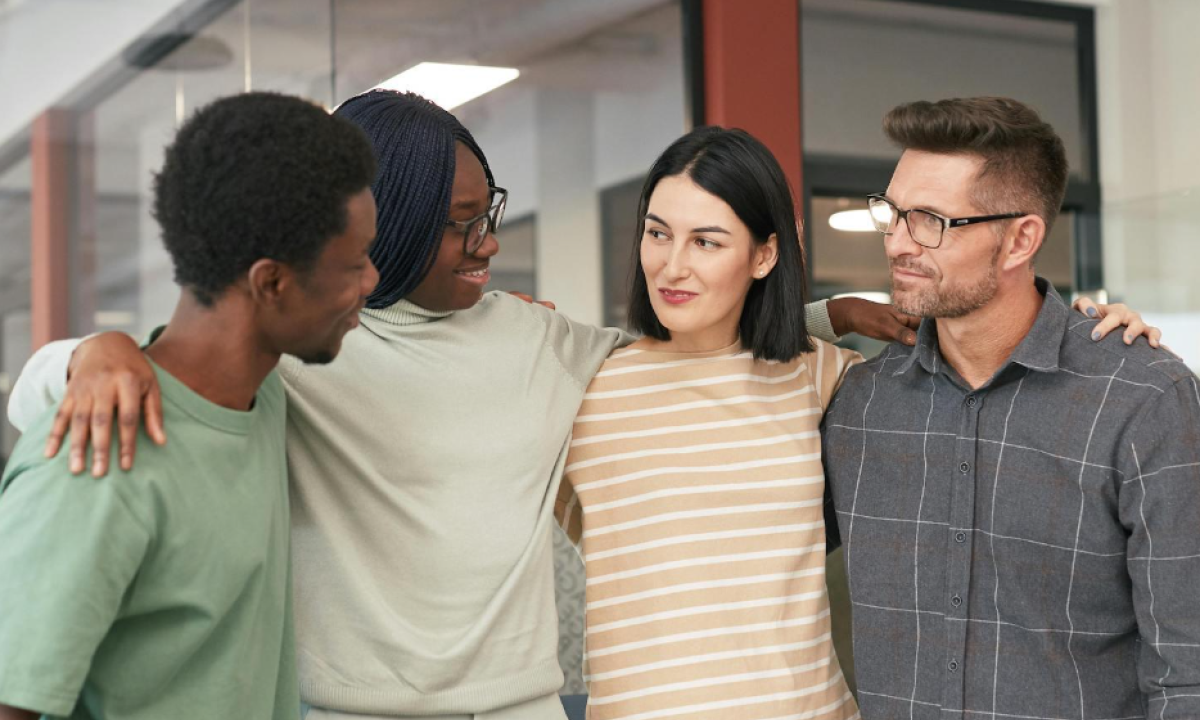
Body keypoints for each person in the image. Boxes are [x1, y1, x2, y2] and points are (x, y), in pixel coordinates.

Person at [6, 92, 1153, 719]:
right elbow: (187, 374)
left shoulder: (561, 350)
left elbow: (704, 355)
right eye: (456, 226)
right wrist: (89, 354)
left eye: (485, 209)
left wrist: (880, 311)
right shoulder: (315, 349)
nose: (488, 240)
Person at [0, 92, 379, 720]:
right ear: (272, 283)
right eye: (356, 263)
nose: (371, 282)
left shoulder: (260, 397)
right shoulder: (98, 466)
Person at [822, 97, 1200, 720]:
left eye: (929, 221)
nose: (896, 243)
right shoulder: (860, 405)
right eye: (891, 214)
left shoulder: (1142, 398)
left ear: (1021, 238)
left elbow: (1188, 671)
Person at [557, 127, 861, 719]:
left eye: (707, 242)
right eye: (657, 233)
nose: (673, 266)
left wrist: (1092, 332)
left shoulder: (815, 376)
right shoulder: (584, 391)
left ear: (765, 254)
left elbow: (962, 372)